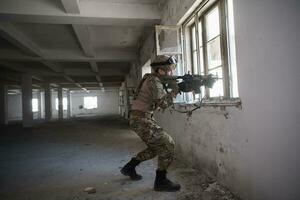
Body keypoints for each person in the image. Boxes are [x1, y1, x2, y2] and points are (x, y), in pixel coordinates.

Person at [121, 55, 181, 192]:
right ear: (160, 71)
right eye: (169, 70)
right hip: (141, 120)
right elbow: (163, 104)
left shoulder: (151, 79)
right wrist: (175, 91)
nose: (171, 73)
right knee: (168, 143)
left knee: (155, 148)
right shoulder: (154, 81)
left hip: (141, 118)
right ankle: (161, 182)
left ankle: (129, 167)